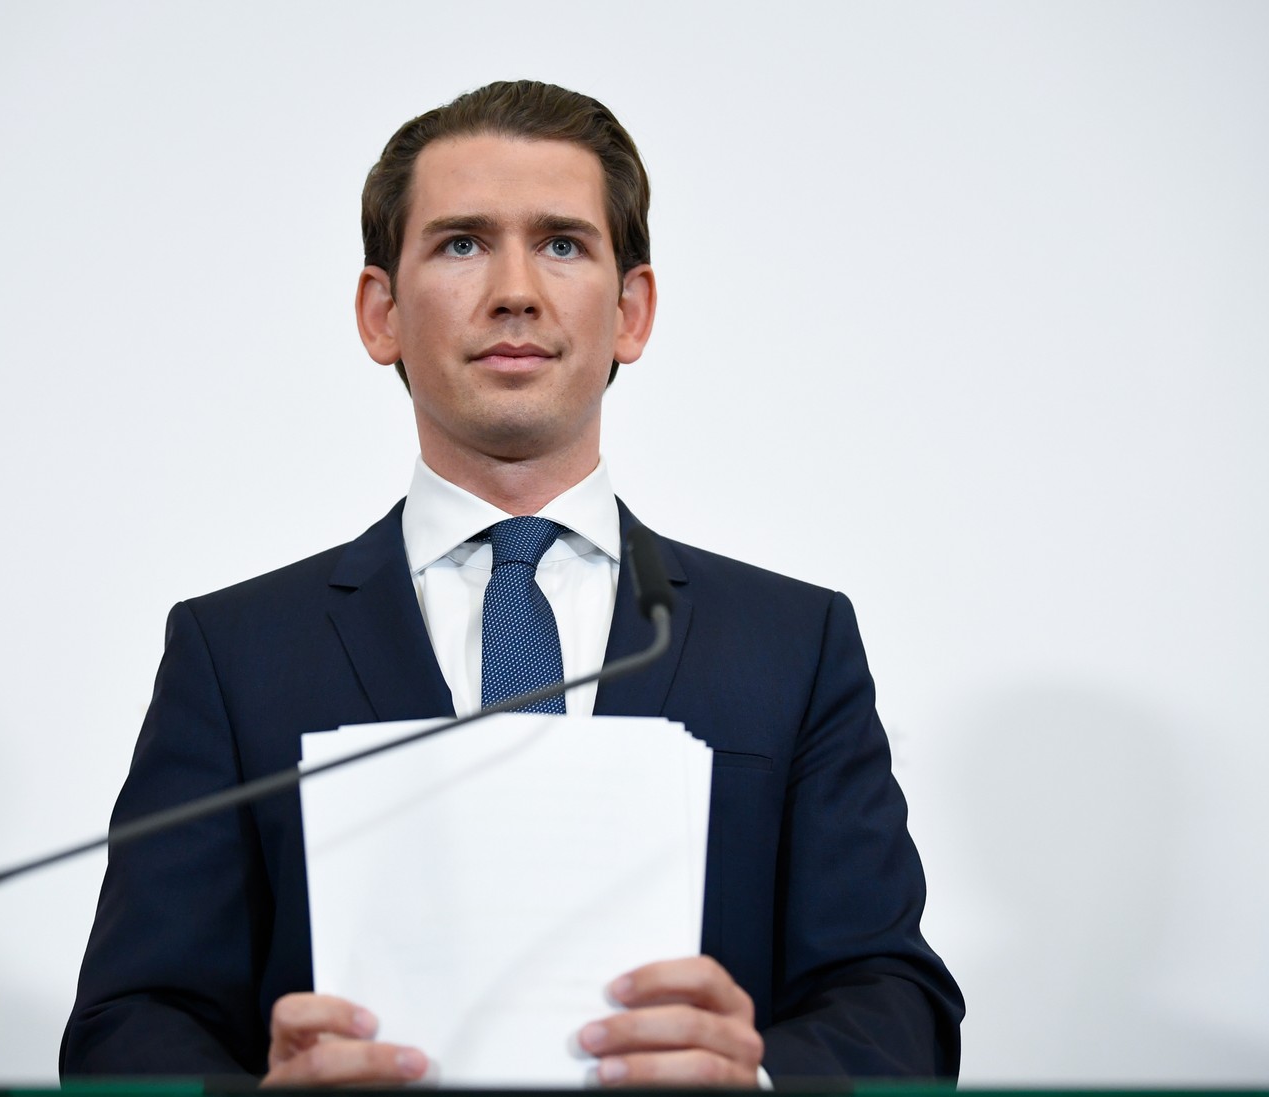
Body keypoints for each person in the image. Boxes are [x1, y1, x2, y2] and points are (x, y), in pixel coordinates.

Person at [61, 80, 964, 1087]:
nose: (516, 290)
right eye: (460, 243)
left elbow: (896, 1005)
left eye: (564, 244)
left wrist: (752, 1080)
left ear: (632, 310)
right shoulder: (237, 653)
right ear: (380, 312)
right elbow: (127, 1024)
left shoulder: (793, 645)